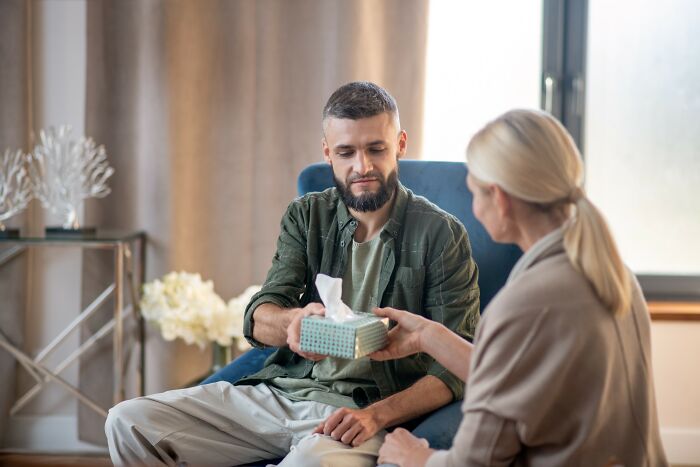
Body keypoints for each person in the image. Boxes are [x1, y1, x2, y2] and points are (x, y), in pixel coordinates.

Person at [104, 81, 480, 466]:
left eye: (376, 149)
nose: (361, 167)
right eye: (346, 152)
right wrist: (292, 323)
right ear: (327, 152)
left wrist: (376, 416)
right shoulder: (307, 216)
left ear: (400, 144)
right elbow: (259, 315)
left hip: (361, 411)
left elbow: (459, 368)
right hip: (283, 392)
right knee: (128, 421)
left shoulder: (441, 234)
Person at [372, 109, 668, 467]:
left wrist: (417, 456)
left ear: (499, 198)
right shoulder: (614, 275)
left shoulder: (525, 304)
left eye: (474, 196)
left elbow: (476, 463)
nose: (474, 210)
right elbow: (515, 377)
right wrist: (426, 335)